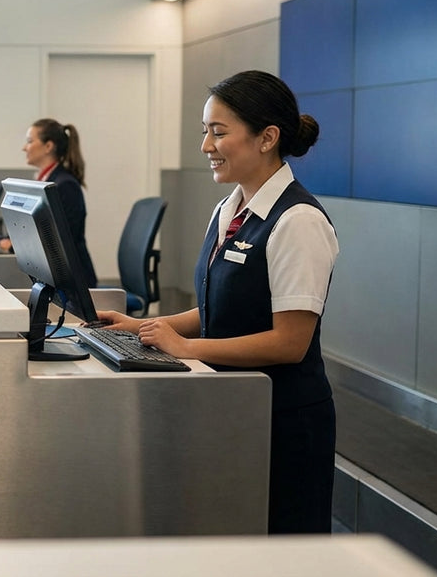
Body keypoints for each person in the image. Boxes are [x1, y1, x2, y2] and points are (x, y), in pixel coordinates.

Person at [95, 70, 339, 534]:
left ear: (267, 137)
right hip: (232, 407)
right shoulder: (229, 209)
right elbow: (216, 311)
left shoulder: (298, 220)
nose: (206, 146)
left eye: (219, 132)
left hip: (282, 421)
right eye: (204, 132)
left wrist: (187, 348)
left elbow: (290, 342)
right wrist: (142, 328)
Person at [0, 118, 96, 286]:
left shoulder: (64, 185)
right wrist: (1, 239)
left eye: (30, 141)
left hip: (74, 285)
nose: (24, 148)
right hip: (55, 278)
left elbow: (59, 242)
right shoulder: (46, 181)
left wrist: (9, 245)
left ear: (48, 146)